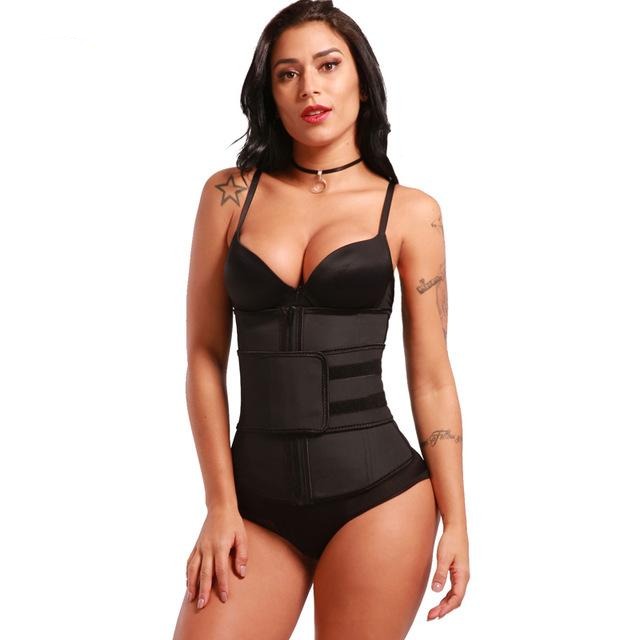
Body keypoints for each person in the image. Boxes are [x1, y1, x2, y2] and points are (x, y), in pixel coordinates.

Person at [173, 1, 469, 638]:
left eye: (328, 65)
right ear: (270, 93)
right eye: (288, 73)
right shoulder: (229, 195)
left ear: (361, 79)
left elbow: (431, 378)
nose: (309, 87)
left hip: (380, 498)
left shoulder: (411, 212)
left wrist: (458, 522)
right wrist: (220, 505)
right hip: (253, 506)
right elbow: (203, 356)